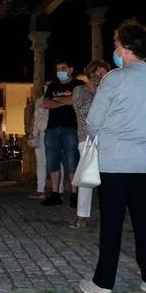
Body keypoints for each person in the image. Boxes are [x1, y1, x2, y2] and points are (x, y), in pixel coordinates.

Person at [80, 19, 146, 293]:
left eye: (117, 44)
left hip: (116, 161)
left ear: (127, 47)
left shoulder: (114, 78)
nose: (115, 48)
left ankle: (103, 284)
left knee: (112, 224)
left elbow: (92, 121)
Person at [69, 60, 111, 228]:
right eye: (98, 74)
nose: (100, 77)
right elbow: (86, 111)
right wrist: (101, 95)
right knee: (87, 178)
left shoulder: (108, 92)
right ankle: (82, 216)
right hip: (86, 138)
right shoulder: (80, 90)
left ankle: (109, 213)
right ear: (90, 73)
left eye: (103, 74)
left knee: (109, 176)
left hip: (107, 139)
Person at [42, 59, 84, 206]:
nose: (59, 71)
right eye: (58, 68)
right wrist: (65, 100)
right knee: (52, 162)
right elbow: (45, 103)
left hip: (71, 128)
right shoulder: (53, 86)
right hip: (52, 129)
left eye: (63, 68)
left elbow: (76, 100)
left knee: (72, 161)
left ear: (71, 70)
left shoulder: (78, 85)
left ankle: (74, 194)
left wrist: (57, 100)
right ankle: (55, 194)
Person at [28, 83, 65, 200]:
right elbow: (35, 118)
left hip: (54, 133)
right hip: (41, 134)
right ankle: (40, 190)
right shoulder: (39, 100)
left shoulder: (59, 99)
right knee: (40, 162)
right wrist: (33, 134)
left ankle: (59, 190)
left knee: (58, 163)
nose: (47, 86)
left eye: (49, 84)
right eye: (45, 84)